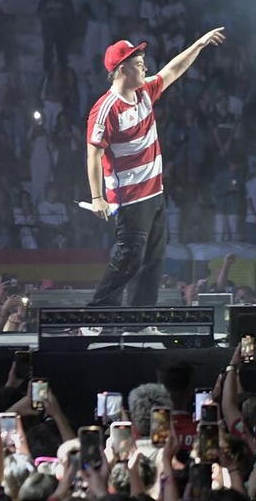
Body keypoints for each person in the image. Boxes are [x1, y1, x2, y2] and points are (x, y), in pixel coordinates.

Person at [86, 31, 226, 307]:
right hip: (130, 199)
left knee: (154, 259)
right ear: (122, 69)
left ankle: (141, 321)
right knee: (130, 258)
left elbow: (173, 69)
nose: (145, 68)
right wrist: (96, 197)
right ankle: (96, 316)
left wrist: (198, 44)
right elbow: (93, 154)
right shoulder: (106, 109)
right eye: (139, 64)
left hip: (155, 194)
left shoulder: (145, 92)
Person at [37, 0, 77, 71]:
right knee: (48, 53)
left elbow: (71, 14)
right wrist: (49, 15)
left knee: (62, 53)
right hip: (48, 31)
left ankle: (62, 72)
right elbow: (38, 13)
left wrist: (61, 15)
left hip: (62, 31)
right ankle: (46, 72)